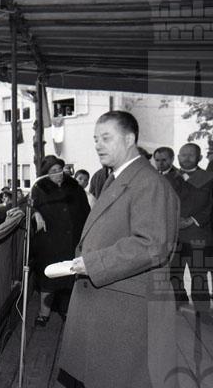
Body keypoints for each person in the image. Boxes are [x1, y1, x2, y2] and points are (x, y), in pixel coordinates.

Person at [58, 111, 178, 388]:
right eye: (95, 139)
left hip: (123, 307)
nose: (98, 145)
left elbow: (153, 244)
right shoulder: (118, 178)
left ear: (129, 139)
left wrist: (93, 263)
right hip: (109, 300)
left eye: (106, 138)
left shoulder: (148, 182)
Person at [31, 155, 90, 326]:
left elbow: (85, 210)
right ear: (46, 173)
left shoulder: (74, 187)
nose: (58, 174)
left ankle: (66, 311)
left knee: (68, 276)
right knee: (47, 277)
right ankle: (44, 313)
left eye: (60, 169)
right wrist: (36, 213)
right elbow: (28, 206)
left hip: (71, 240)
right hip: (49, 242)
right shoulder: (39, 188)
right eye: (53, 171)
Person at [171, 142, 213, 308]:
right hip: (174, 235)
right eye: (183, 155)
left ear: (200, 157)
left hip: (198, 234)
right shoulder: (170, 178)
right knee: (174, 276)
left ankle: (203, 313)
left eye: (191, 155)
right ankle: (178, 308)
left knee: (198, 277)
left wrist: (192, 219)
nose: (186, 158)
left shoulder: (209, 178)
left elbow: (211, 205)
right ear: (178, 157)